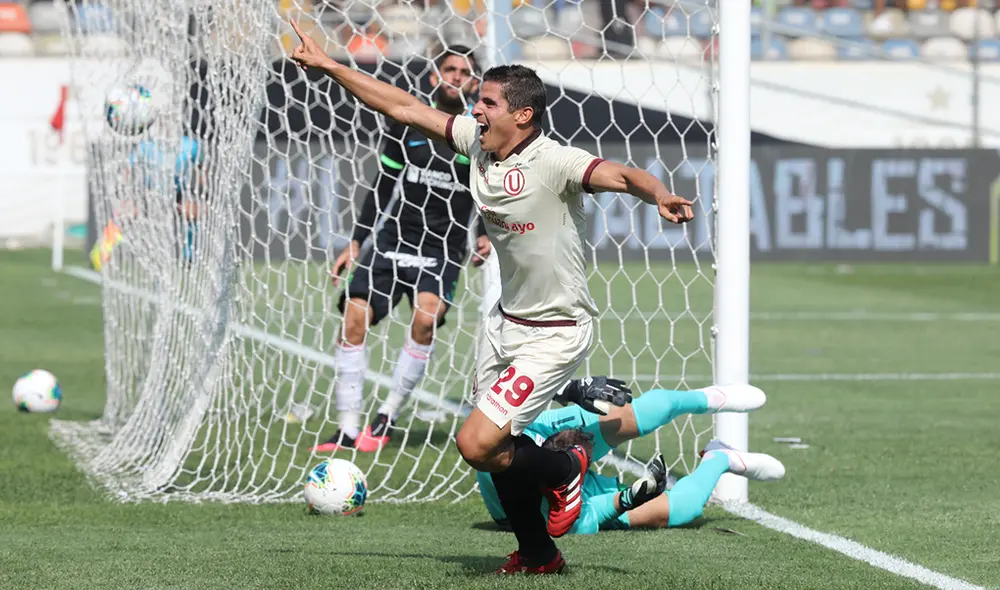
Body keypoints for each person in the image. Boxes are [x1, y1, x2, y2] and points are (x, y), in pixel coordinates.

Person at [289, 20, 695, 575]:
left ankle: (566, 466)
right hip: (506, 325)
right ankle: (539, 554)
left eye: (488, 102)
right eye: (477, 101)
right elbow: (405, 108)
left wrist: (661, 194)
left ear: (522, 115)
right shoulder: (474, 143)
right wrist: (333, 66)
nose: (475, 110)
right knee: (500, 452)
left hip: (555, 330)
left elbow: (622, 176)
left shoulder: (553, 161)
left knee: (477, 443)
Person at [309, 46, 492, 453]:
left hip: (442, 247)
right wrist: (357, 241)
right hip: (393, 240)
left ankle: (387, 415)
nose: (456, 76)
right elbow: (383, 186)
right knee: (353, 318)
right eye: (449, 69)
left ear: (475, 82)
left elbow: (485, 194)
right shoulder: (408, 123)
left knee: (425, 321)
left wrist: (484, 233)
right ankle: (346, 428)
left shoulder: (479, 136)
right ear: (434, 77)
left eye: (465, 71)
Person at [477, 380, 785, 535]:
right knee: (684, 509)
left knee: (643, 413)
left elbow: (501, 385)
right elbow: (593, 515)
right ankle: (721, 458)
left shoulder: (512, 437)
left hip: (540, 450)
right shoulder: (552, 517)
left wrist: (569, 389)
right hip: (545, 504)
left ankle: (711, 398)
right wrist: (628, 498)